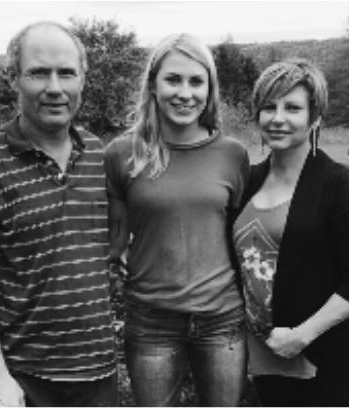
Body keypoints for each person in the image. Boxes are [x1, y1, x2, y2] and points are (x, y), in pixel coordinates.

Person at [0, 21, 118, 407]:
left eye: (66, 73)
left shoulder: (97, 152)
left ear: (83, 79)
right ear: (13, 79)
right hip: (21, 378)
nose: (54, 88)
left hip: (98, 373)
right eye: (39, 73)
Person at [104, 33, 250, 406]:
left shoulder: (233, 156)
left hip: (222, 318)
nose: (185, 93)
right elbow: (114, 240)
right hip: (151, 319)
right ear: (153, 85)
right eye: (173, 79)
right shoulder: (122, 154)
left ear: (210, 90)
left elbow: (240, 236)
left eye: (196, 81)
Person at [231, 58, 349, 407]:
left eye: (293, 108)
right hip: (266, 353)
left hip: (323, 357)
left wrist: (301, 335)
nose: (278, 118)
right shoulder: (248, 180)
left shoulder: (337, 185)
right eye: (269, 107)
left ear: (315, 118)